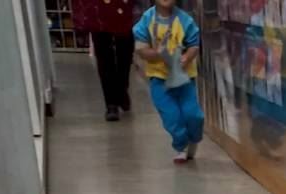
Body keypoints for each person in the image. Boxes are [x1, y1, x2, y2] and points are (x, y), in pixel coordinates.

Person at [134, 2, 204, 163]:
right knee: (172, 117)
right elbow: (141, 49)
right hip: (159, 79)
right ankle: (181, 145)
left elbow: (194, 45)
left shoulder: (185, 20)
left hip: (184, 79)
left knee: (194, 115)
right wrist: (156, 53)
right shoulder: (146, 20)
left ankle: (194, 138)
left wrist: (187, 58)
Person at [71, 0, 137, 122]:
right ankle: (111, 104)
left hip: (122, 7)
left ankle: (122, 89)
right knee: (104, 57)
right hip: (97, 9)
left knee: (125, 53)